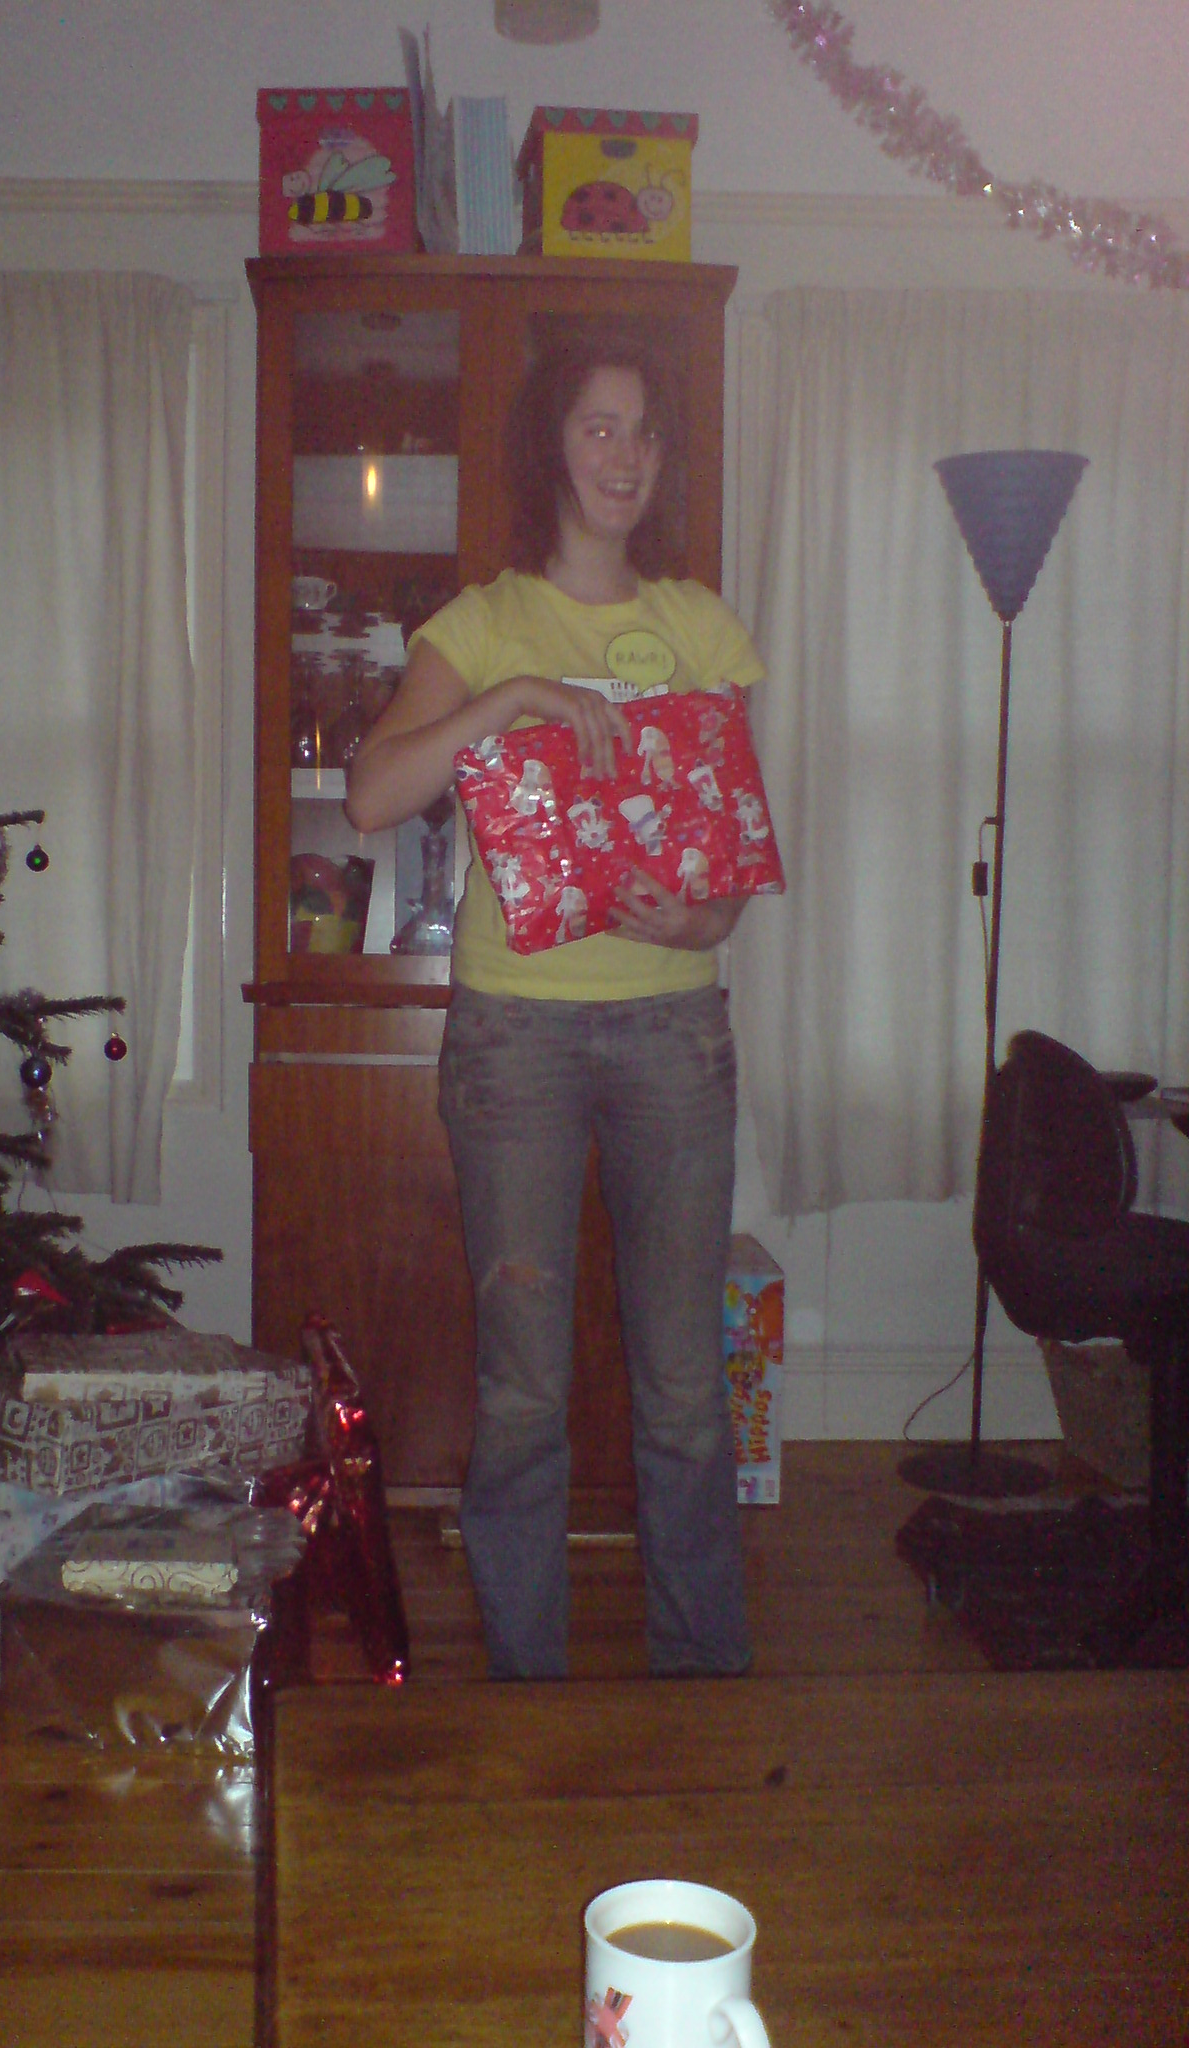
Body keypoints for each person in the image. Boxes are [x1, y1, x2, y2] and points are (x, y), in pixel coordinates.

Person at [345, 325, 766, 1680]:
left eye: (644, 431)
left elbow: (730, 839)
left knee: (687, 1393)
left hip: (673, 1028)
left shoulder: (699, 621)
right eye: (598, 425)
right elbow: (370, 794)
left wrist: (707, 913)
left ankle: (700, 1680)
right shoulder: (481, 624)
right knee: (522, 1390)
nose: (624, 456)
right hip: (515, 1034)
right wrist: (512, 696)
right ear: (551, 448)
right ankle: (527, 1687)